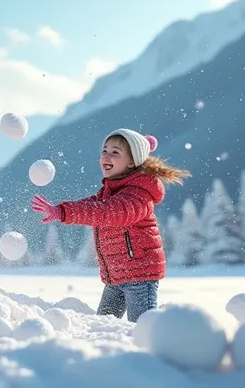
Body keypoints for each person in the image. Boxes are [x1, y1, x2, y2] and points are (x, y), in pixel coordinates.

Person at [30, 128, 190, 322]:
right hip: (116, 276)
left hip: (140, 275)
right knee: (103, 326)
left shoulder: (139, 195)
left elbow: (107, 212)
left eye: (115, 152)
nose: (106, 156)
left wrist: (64, 212)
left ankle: (168, 339)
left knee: (142, 328)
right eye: (104, 151)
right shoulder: (110, 191)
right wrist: (60, 210)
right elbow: (92, 205)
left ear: (132, 161)